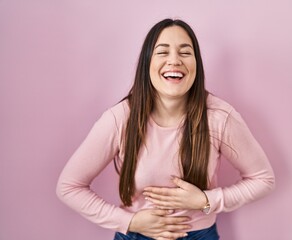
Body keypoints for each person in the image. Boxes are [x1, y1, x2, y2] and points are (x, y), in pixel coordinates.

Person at [56, 18, 275, 240]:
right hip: (136, 236)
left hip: (200, 235)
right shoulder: (120, 118)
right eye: (162, 52)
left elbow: (263, 179)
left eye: (185, 52)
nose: (174, 60)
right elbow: (69, 186)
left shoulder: (219, 116)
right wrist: (129, 221)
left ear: (196, 64)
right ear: (147, 63)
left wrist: (206, 201)